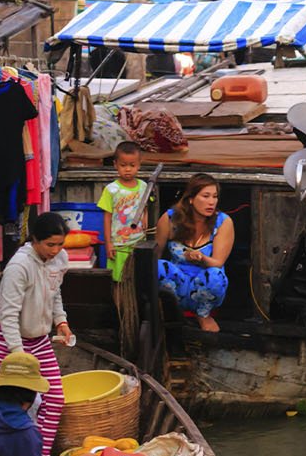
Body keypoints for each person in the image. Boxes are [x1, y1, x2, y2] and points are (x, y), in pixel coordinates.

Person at [0, 213, 72, 456]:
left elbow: (55, 292)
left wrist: (60, 320)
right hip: (9, 342)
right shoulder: (19, 267)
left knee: (54, 400)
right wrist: (18, 355)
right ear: (34, 240)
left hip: (40, 341)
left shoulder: (60, 258)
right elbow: (7, 315)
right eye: (50, 244)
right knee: (10, 404)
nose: (56, 250)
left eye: (60, 244)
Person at [156, 174, 233, 333]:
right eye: (205, 196)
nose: (211, 202)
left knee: (216, 276)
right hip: (177, 284)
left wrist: (201, 258)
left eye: (215, 197)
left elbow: (218, 262)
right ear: (191, 199)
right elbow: (156, 253)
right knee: (157, 266)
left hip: (204, 287)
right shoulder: (170, 218)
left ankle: (203, 314)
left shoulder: (223, 222)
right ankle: (169, 311)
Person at [100, 142, 150, 283]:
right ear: (115, 164)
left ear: (139, 165)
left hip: (139, 242)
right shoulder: (111, 190)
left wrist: (145, 218)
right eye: (123, 165)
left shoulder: (144, 187)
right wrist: (108, 243)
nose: (128, 169)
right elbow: (107, 217)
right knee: (118, 280)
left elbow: (145, 207)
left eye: (132, 165)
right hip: (118, 244)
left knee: (137, 279)